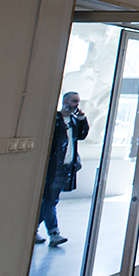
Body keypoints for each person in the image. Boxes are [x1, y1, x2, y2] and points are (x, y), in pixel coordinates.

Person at [36, 91, 89, 247]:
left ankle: (33, 229)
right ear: (65, 102)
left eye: (78, 102)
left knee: (49, 200)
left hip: (66, 167)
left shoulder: (74, 121)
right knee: (50, 200)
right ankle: (54, 233)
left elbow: (82, 135)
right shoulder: (55, 120)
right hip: (54, 167)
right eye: (73, 101)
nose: (76, 105)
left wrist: (82, 119)